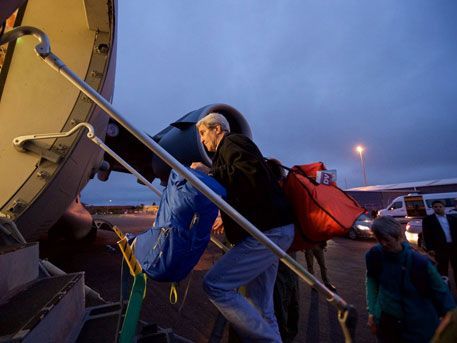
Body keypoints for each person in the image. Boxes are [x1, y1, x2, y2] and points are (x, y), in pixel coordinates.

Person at [192, 113, 295, 342]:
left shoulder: (233, 142)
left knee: (215, 284)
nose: (201, 140)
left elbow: (250, 176)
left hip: (267, 231)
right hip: (273, 230)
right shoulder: (227, 151)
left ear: (217, 128)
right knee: (261, 306)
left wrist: (208, 172)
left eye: (202, 133)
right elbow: (246, 189)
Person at [366, 216, 455, 342]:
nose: (383, 243)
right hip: (386, 325)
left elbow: (443, 295)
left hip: (418, 328)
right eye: (379, 239)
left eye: (386, 239)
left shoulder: (420, 263)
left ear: (397, 236)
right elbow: (372, 280)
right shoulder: (374, 255)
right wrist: (373, 312)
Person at [266, 158, 300, 343]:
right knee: (290, 292)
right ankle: (288, 333)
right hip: (290, 252)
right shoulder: (287, 192)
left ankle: (281, 335)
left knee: (278, 298)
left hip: (276, 254)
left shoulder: (271, 194)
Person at [422, 200, 457, 286]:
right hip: (440, 248)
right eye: (436, 207)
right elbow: (426, 235)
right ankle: (445, 289)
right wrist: (430, 248)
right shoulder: (428, 220)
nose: (438, 208)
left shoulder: (452, 218)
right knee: (442, 270)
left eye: (440, 207)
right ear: (433, 208)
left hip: (454, 247)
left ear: (444, 207)